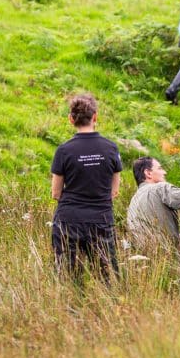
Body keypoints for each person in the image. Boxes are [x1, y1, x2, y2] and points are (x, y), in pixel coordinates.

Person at [50, 94, 122, 281]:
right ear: (95, 117)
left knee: (66, 277)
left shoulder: (63, 150)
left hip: (69, 220)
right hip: (101, 219)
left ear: (71, 119)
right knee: (107, 278)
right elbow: (114, 191)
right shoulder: (111, 148)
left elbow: (56, 192)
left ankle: (68, 308)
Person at [127, 157, 180, 247]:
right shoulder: (159, 187)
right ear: (148, 173)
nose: (164, 172)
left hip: (144, 250)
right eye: (160, 168)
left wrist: (178, 237)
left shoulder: (134, 199)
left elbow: (148, 233)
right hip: (164, 251)